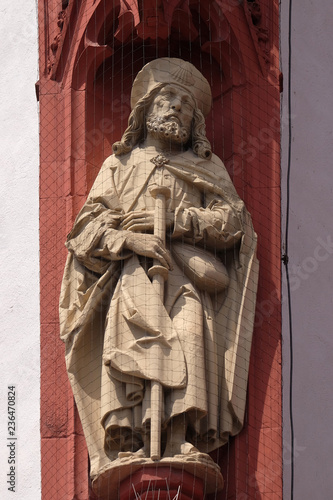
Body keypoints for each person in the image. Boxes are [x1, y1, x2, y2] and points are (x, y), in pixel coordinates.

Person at [60, 58, 258, 480]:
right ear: (146, 109)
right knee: (137, 351)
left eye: (187, 105)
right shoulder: (119, 167)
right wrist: (129, 239)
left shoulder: (207, 167)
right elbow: (84, 232)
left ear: (196, 121)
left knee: (188, 338)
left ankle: (179, 438)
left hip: (185, 278)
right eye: (167, 98)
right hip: (132, 280)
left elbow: (233, 221)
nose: (177, 109)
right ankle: (132, 441)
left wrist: (177, 223)